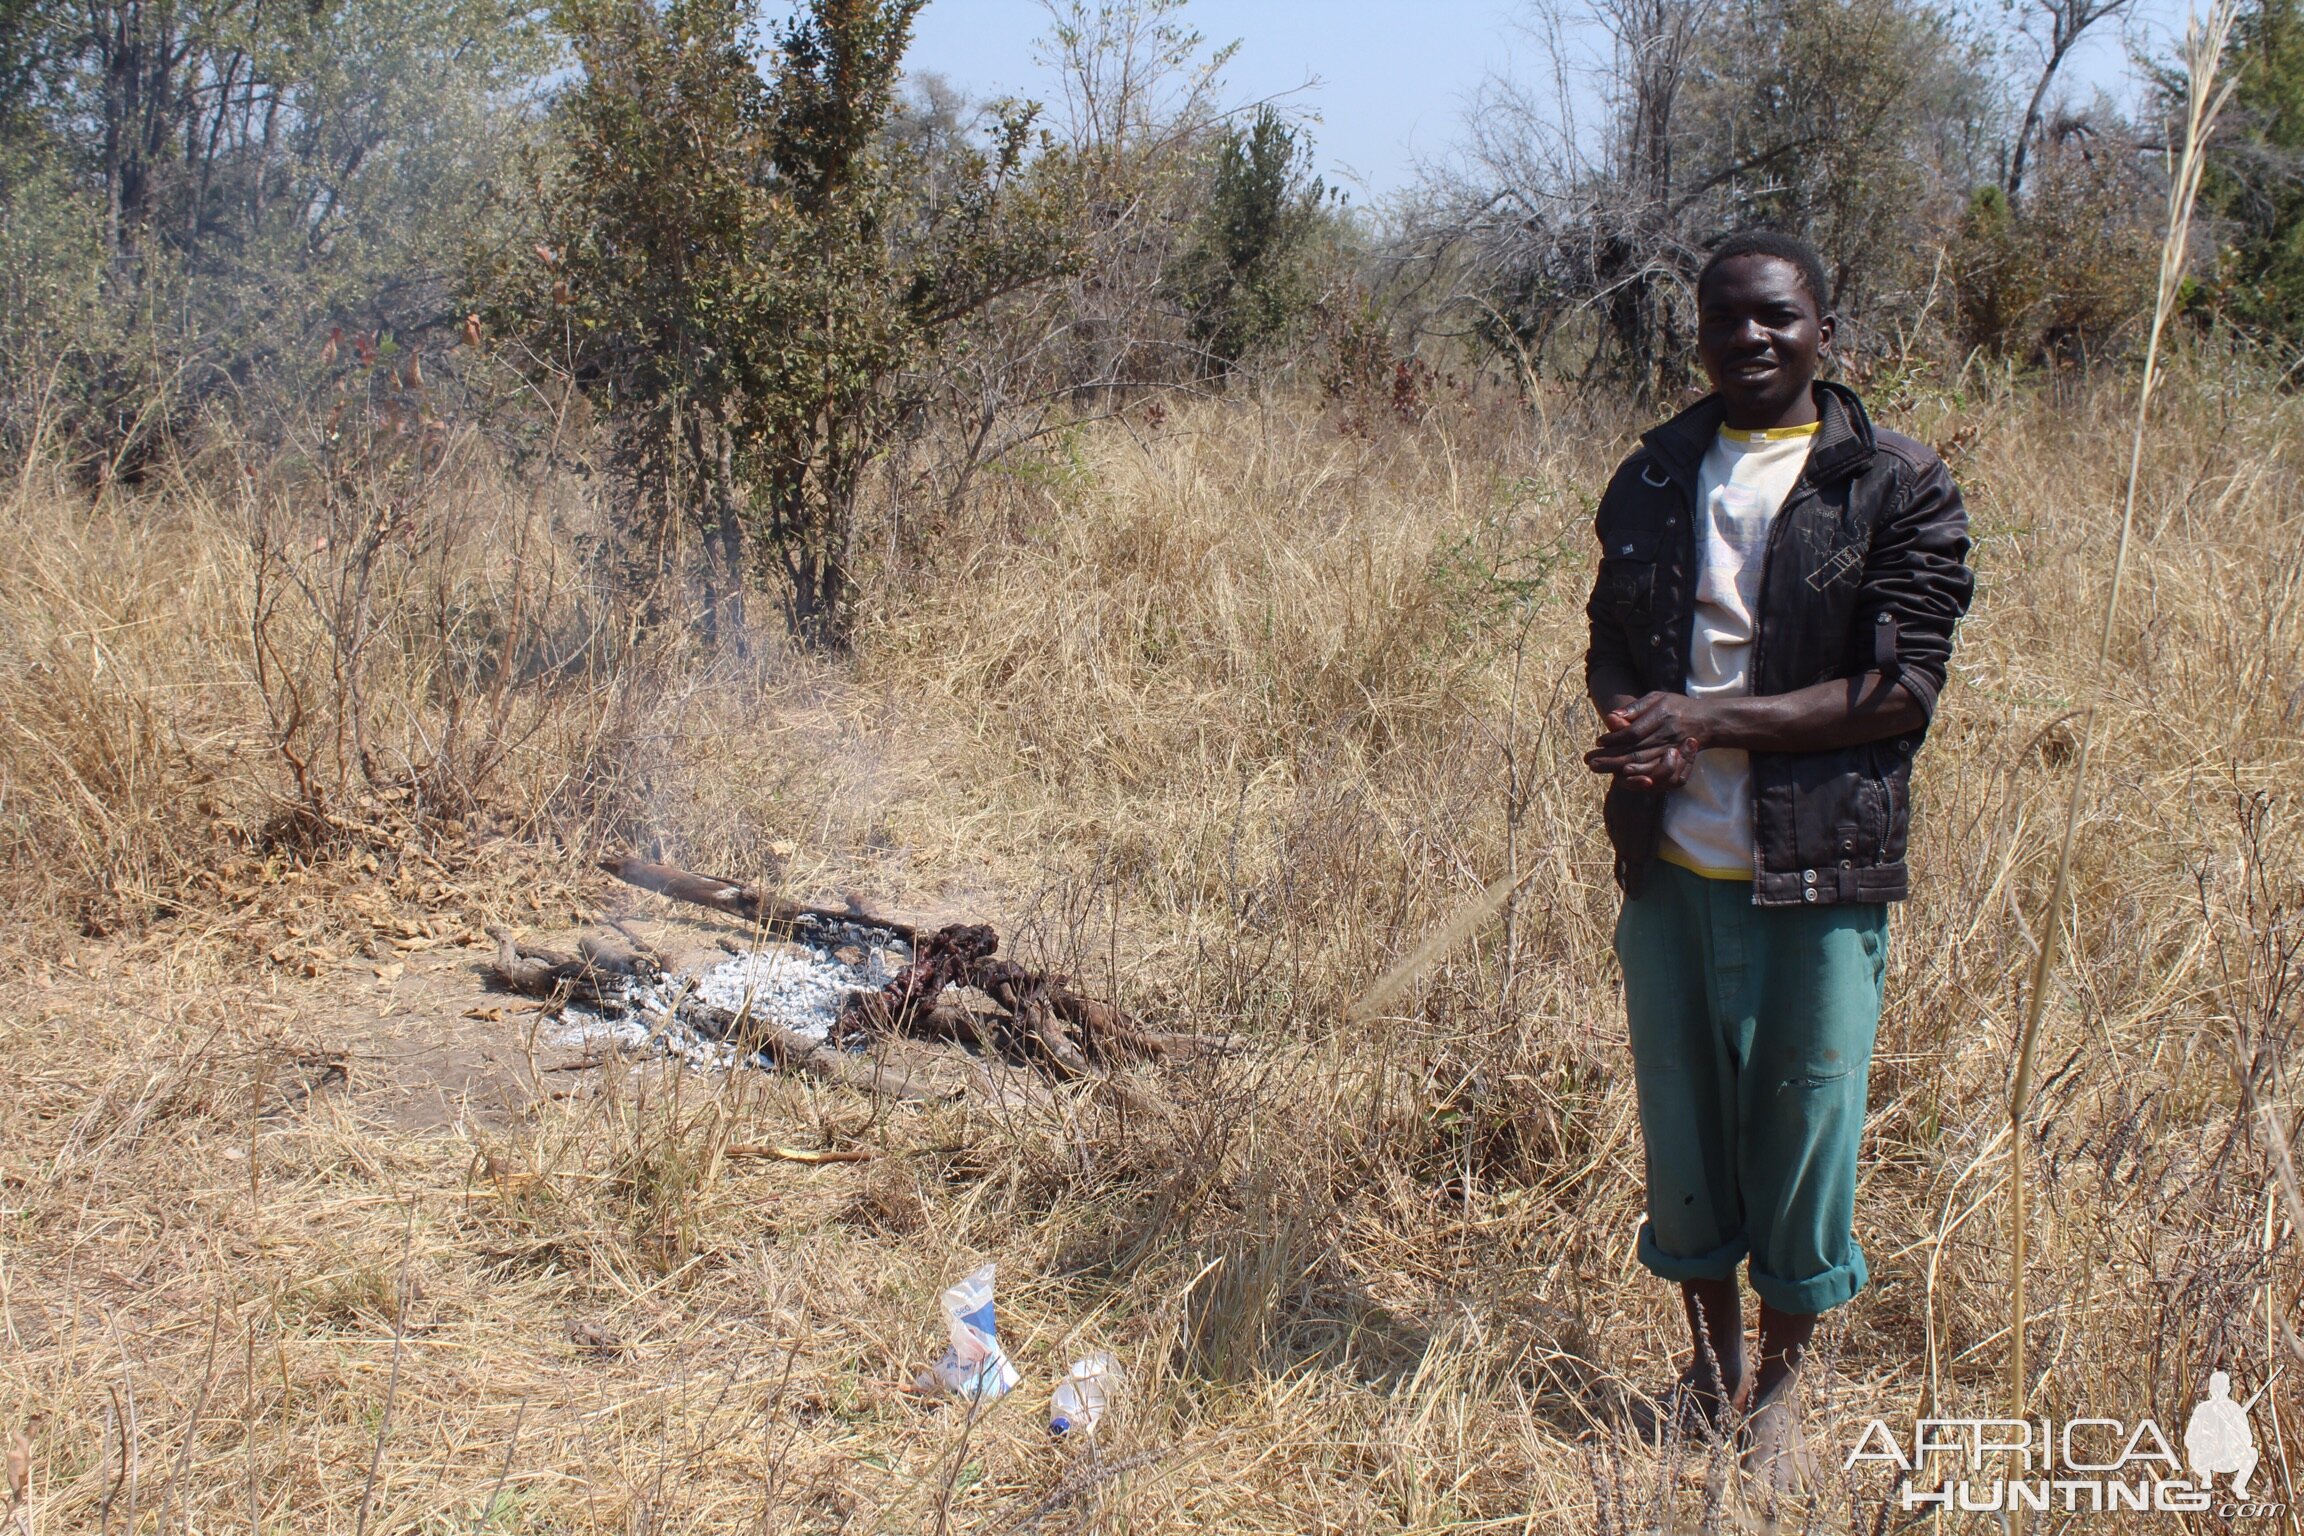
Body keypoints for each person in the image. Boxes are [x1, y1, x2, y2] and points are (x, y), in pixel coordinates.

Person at [1581, 230, 1975, 1482]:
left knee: (1806, 1132)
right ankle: (1707, 1370)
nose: (1749, 339)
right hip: (1672, 868)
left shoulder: (1896, 483)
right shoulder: (1655, 473)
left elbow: (1899, 689)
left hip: (1822, 868)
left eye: (1777, 318)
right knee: (1686, 1133)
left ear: (1825, 325)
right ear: (1695, 332)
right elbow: (1612, 637)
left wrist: (1708, 720)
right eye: (1723, 320)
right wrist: (1635, 722)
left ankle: (1780, 1397)